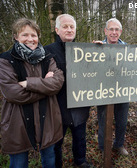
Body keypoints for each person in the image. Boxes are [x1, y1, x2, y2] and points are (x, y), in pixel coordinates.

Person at [0, 18, 64, 168]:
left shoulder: (48, 58)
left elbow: (58, 82)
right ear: (16, 36)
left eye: (34, 35)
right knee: (19, 163)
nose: (30, 39)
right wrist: (45, 86)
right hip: (17, 122)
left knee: (49, 159)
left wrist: (29, 83)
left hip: (48, 119)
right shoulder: (6, 60)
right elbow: (13, 93)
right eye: (25, 35)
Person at [44, 14, 91, 168]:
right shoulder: (47, 51)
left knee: (80, 137)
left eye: (72, 27)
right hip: (59, 106)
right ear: (57, 30)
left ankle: (80, 161)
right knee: (57, 142)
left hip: (79, 103)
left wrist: (100, 51)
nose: (69, 29)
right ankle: (58, 164)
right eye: (65, 26)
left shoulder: (85, 50)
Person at [93, 18, 129, 156]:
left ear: (120, 31)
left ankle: (119, 145)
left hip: (123, 91)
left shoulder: (128, 49)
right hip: (103, 91)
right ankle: (103, 148)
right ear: (105, 31)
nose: (114, 32)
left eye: (116, 30)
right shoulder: (98, 47)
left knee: (122, 122)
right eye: (111, 29)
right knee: (103, 122)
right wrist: (92, 51)